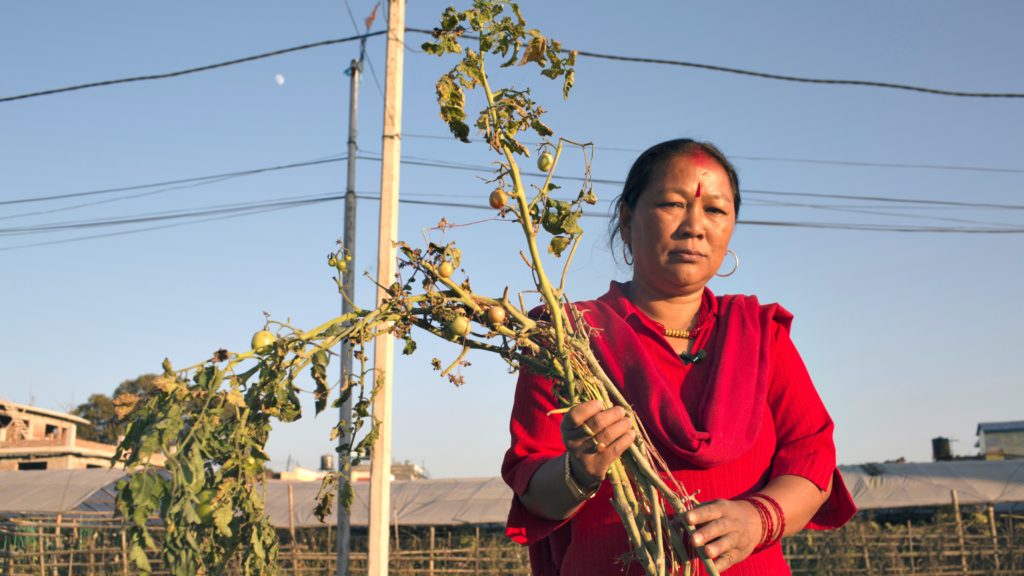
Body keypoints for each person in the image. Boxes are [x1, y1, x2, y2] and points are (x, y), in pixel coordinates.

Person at [501, 138, 856, 575]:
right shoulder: (567, 337)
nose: (695, 226)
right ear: (628, 219)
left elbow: (812, 457)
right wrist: (580, 470)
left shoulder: (762, 335)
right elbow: (533, 486)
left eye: (716, 210)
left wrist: (757, 519)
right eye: (673, 204)